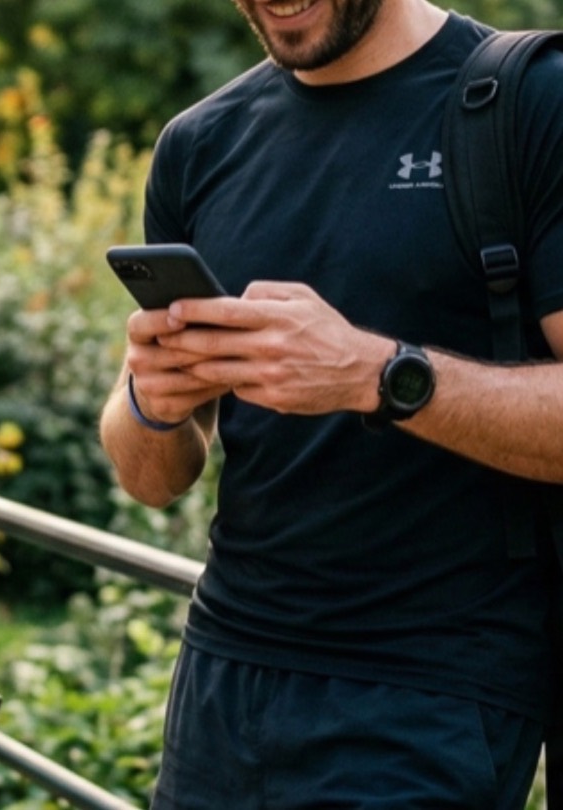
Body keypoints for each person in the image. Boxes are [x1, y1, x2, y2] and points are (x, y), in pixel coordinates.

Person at [98, 2, 563, 807]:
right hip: (222, 677)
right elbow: (150, 476)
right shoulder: (199, 144)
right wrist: (152, 403)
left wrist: (379, 376)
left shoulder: (530, 101)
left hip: (431, 692)